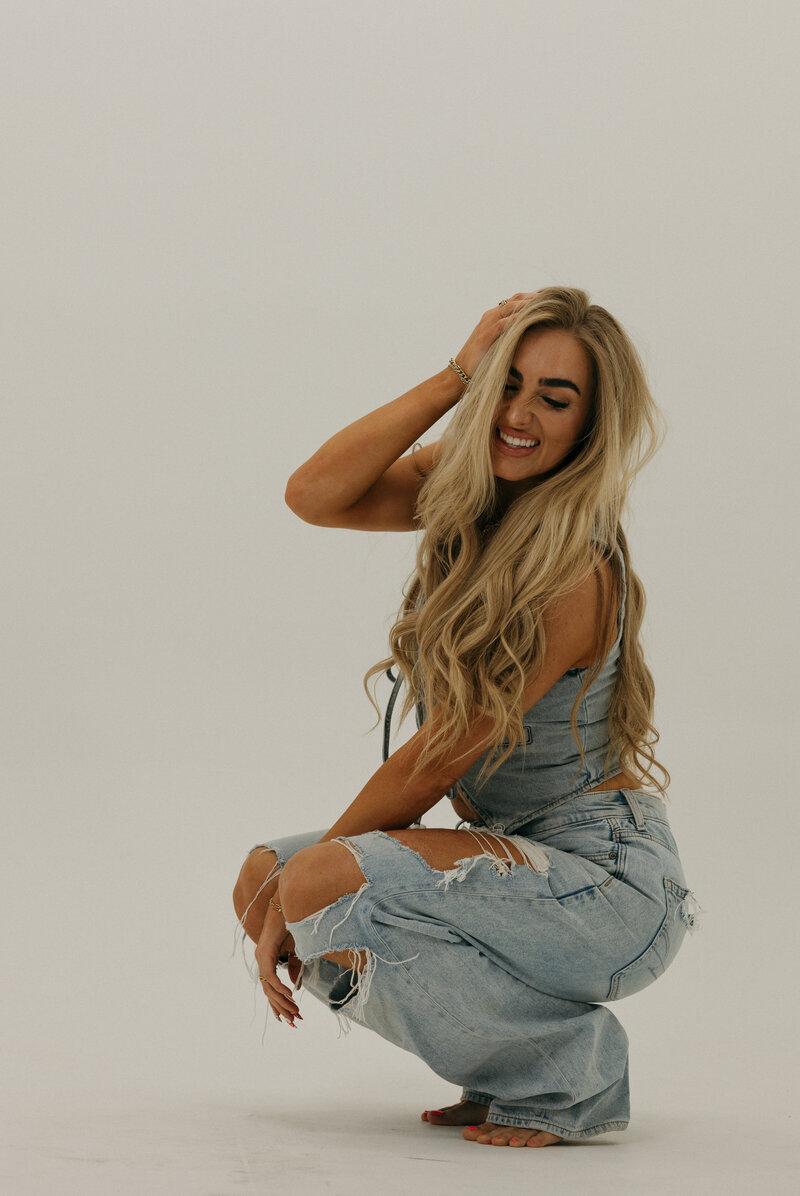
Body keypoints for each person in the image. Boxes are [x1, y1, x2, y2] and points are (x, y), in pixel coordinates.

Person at [232, 287, 700, 1148]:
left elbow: (432, 765)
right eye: (507, 384)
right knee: (265, 875)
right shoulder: (470, 495)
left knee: (307, 884)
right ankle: (510, 1066)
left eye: (554, 399)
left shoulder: (573, 569)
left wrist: (309, 889)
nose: (519, 414)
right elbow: (314, 492)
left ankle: (569, 1074)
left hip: (608, 886)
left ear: (589, 427)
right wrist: (456, 376)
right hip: (522, 859)